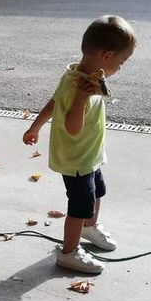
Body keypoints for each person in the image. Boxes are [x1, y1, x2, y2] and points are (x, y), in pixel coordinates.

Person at [23, 15, 137, 274]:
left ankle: (89, 227)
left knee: (98, 191)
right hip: (76, 159)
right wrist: (82, 100)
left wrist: (35, 126)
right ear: (107, 56)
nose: (121, 67)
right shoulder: (79, 86)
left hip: (90, 155)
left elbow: (53, 103)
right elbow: (73, 128)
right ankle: (69, 252)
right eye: (122, 62)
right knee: (78, 206)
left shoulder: (79, 74)